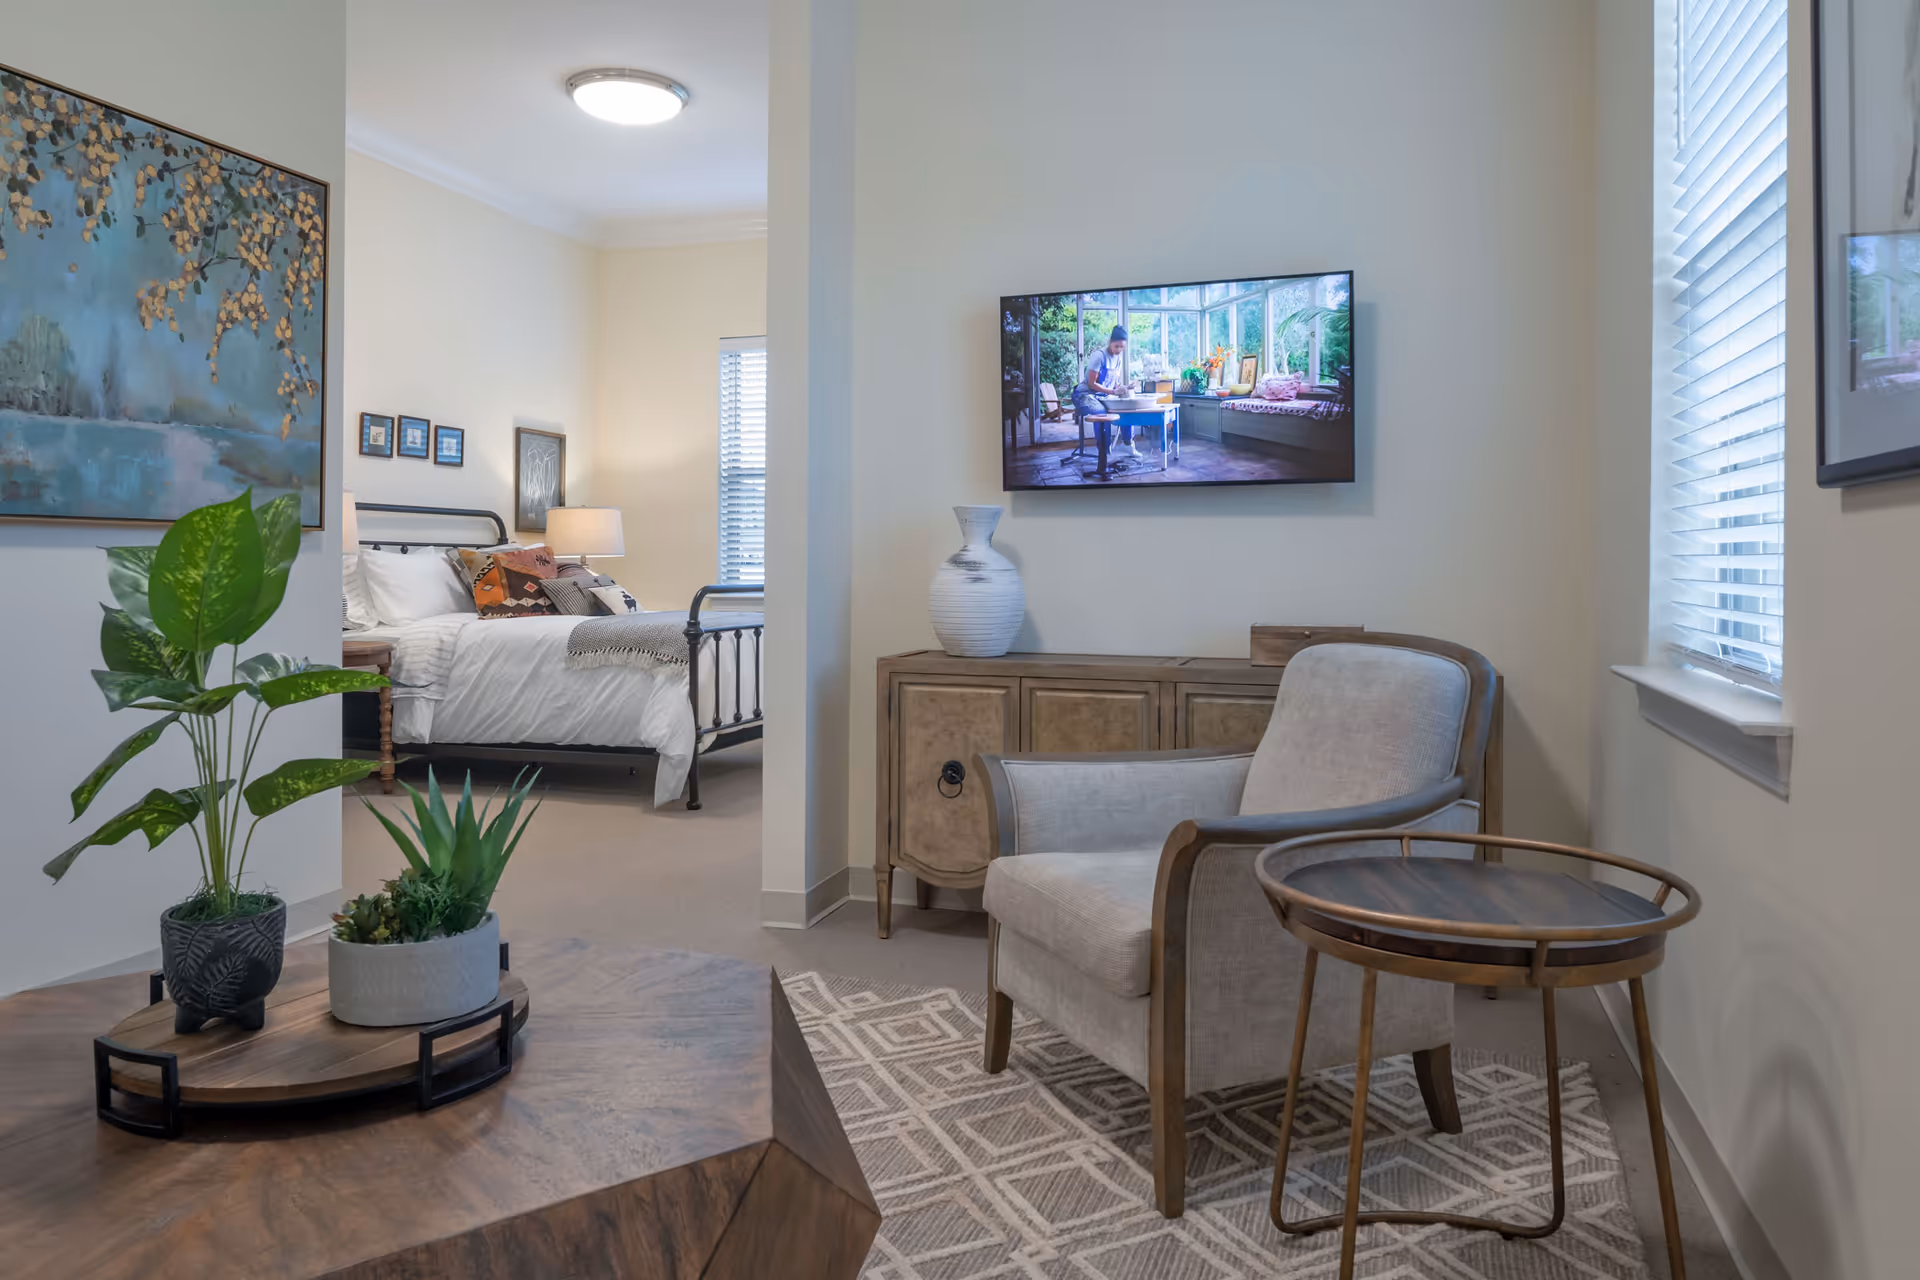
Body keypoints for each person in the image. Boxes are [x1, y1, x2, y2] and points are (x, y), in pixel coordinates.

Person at [1073, 325, 1138, 459]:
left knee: (1126, 409)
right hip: (1085, 395)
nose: (1119, 350)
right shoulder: (1099, 356)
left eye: (1122, 347)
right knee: (1101, 413)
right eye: (1117, 346)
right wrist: (1114, 392)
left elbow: (1114, 384)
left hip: (1103, 396)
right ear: (1110, 342)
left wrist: (1125, 388)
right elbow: (1092, 383)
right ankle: (1104, 450)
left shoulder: (1118, 359)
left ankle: (1128, 444)